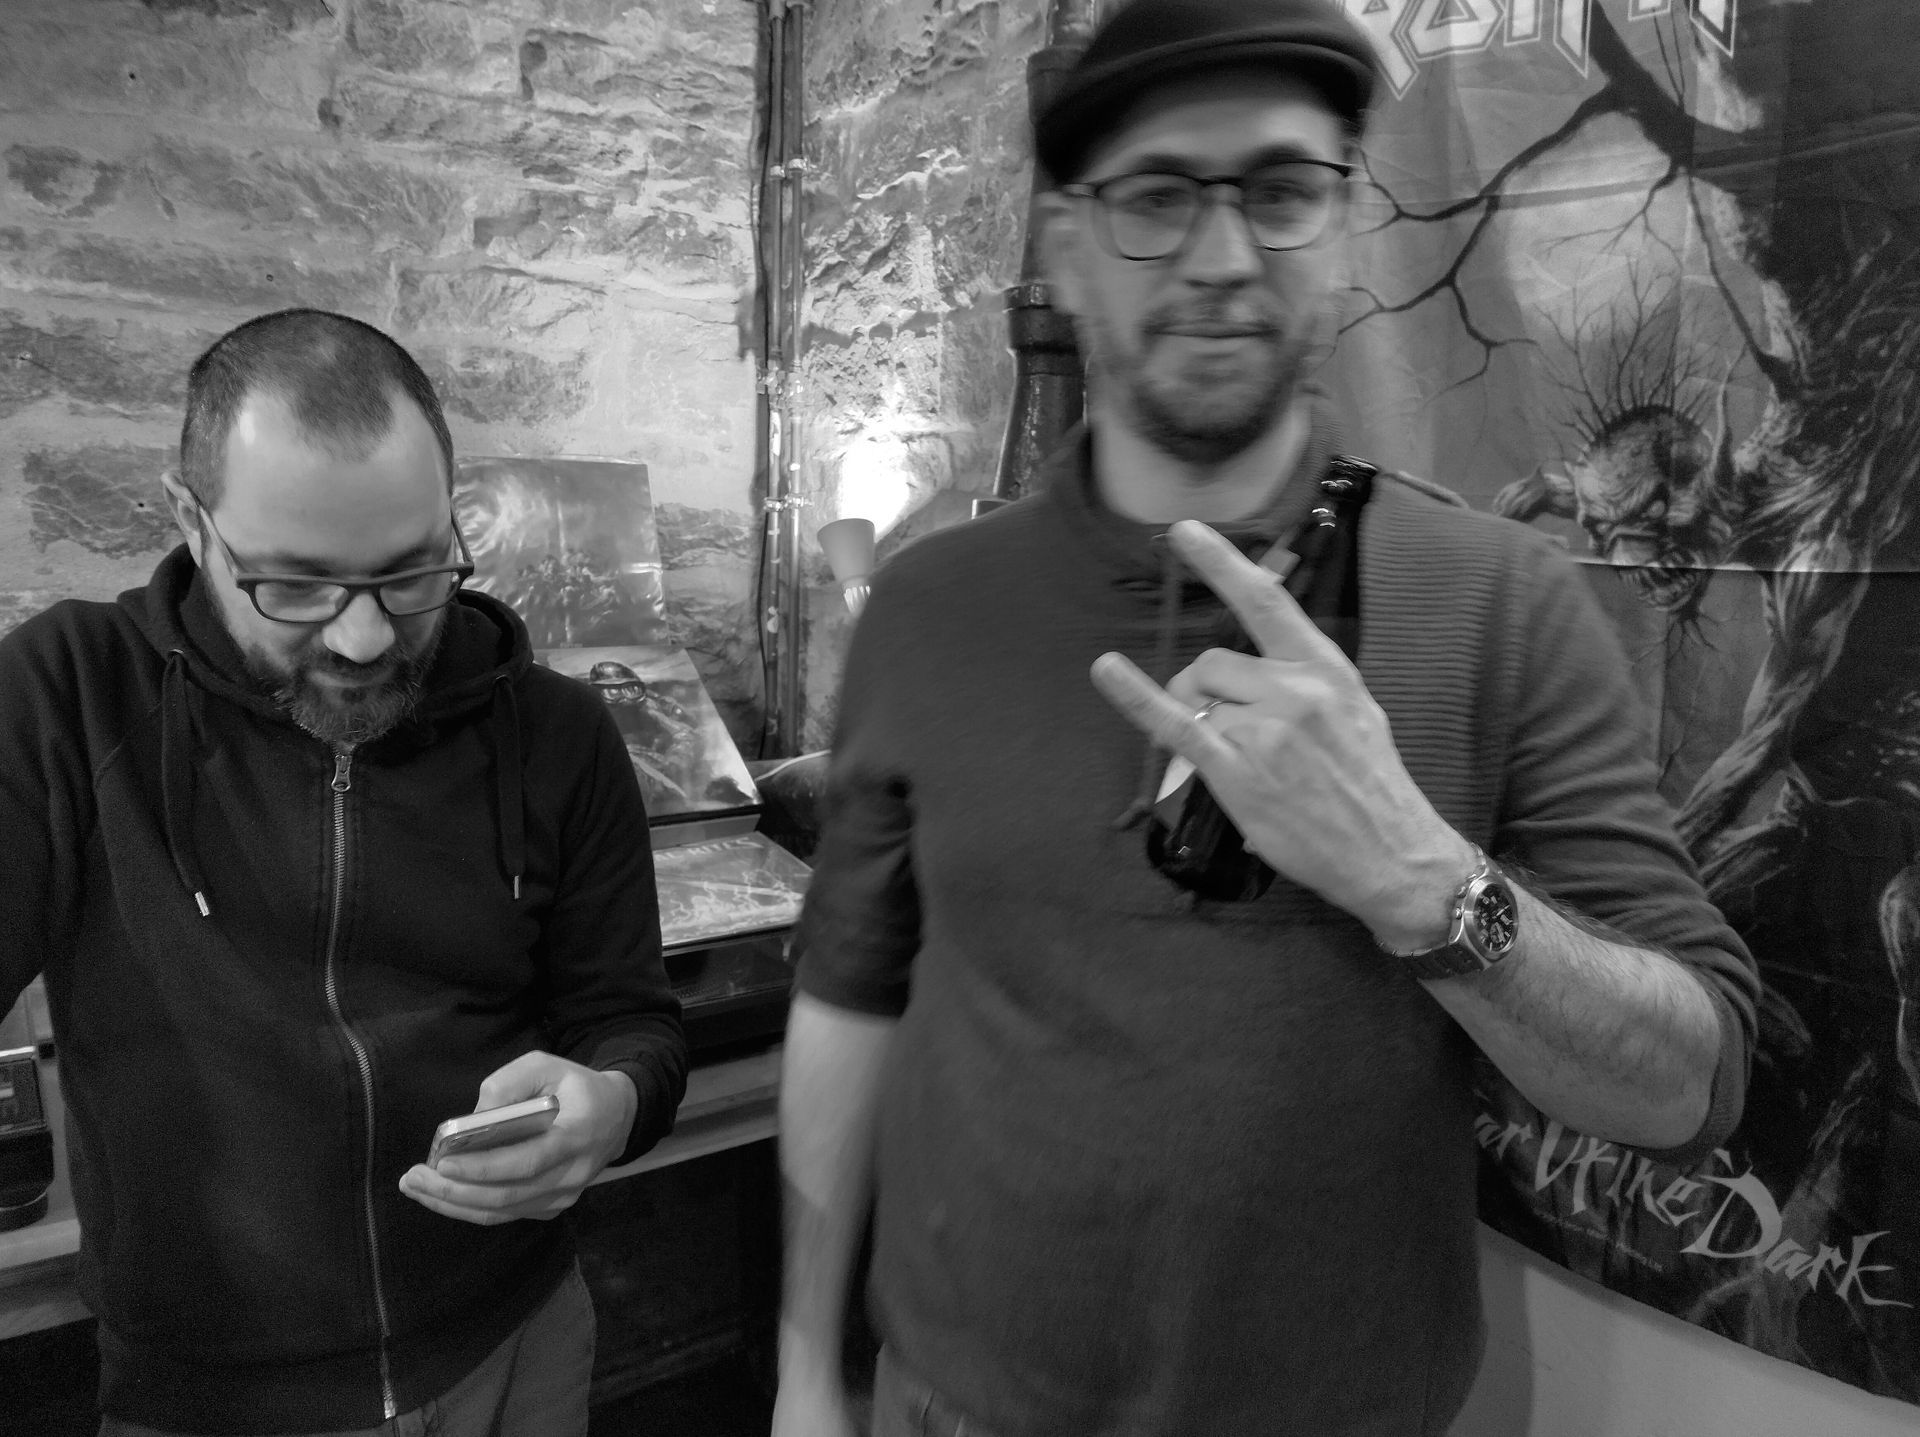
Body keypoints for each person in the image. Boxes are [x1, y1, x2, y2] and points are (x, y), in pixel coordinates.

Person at [772, 2, 1761, 1434]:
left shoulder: (1503, 601)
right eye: (1157, 197)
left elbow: (1689, 1086)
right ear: (1067, 246)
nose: (1225, 256)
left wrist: (1424, 884)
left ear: (1345, 229)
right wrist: (805, 1368)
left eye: (1283, 191)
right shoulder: (927, 609)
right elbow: (849, 999)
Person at [0, 308, 688, 1436]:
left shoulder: (559, 730)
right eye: (297, 585)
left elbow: (631, 1022)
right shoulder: (65, 700)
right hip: (215, 1401)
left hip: (516, 1339)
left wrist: (612, 1105)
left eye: (412, 573)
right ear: (190, 519)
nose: (363, 639)